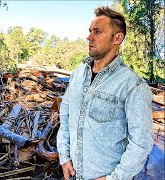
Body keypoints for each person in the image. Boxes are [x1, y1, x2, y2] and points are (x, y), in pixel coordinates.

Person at [56, 6, 154, 180]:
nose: (89, 37)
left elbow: (141, 142)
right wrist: (64, 158)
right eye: (90, 31)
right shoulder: (77, 74)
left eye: (97, 32)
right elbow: (65, 116)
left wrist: (114, 178)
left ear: (117, 38)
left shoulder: (133, 86)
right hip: (73, 174)